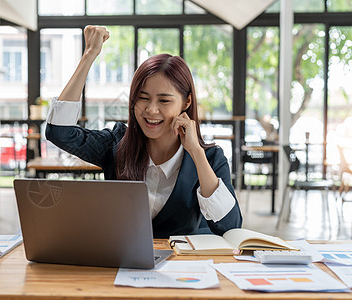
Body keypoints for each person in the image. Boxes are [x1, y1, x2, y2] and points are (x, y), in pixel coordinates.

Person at [45, 26, 242, 238]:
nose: (151, 110)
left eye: (164, 100)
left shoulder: (210, 158)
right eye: (143, 97)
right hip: (121, 262)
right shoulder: (117, 144)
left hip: (180, 268)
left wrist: (195, 152)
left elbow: (230, 227)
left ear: (186, 101)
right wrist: (88, 56)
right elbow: (59, 132)